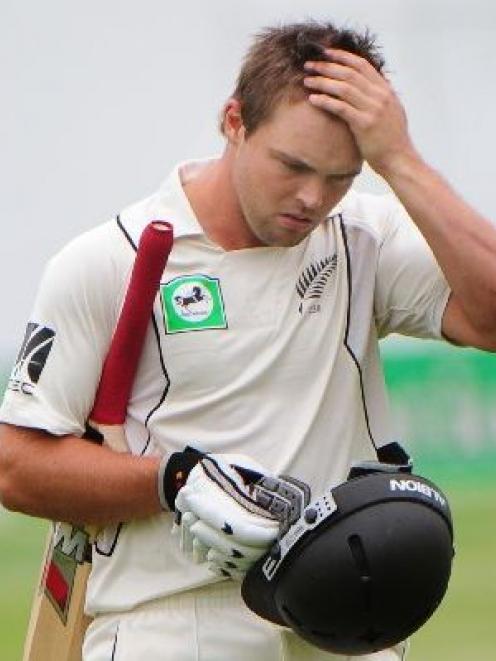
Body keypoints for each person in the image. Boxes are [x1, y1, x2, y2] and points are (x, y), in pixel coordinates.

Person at [1, 19, 495, 661]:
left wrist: (399, 159)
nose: (312, 198)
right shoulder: (108, 261)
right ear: (234, 121)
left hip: (346, 622)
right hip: (174, 624)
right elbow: (17, 466)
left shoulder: (362, 236)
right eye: (292, 165)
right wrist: (175, 481)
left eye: (341, 176)